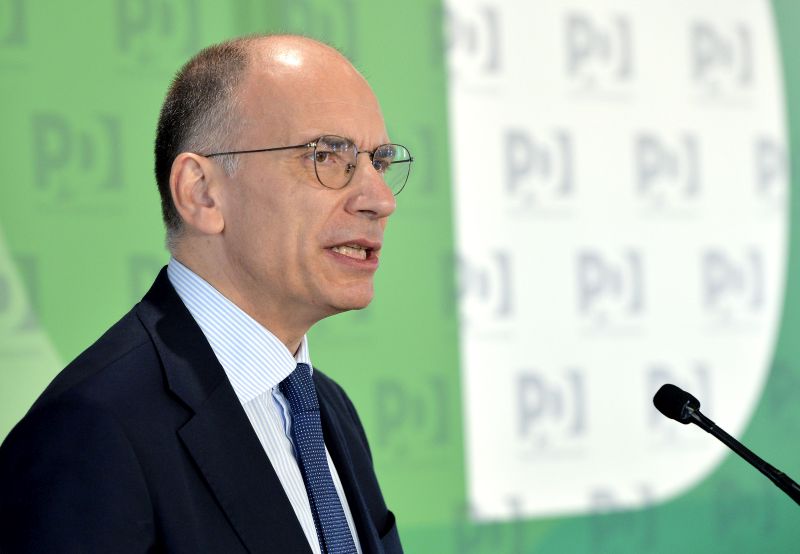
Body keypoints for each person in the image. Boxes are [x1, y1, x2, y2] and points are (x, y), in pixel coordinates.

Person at [0, 34, 410, 553]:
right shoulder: (89, 432)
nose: (379, 200)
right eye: (327, 156)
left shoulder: (329, 409)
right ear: (201, 192)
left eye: (380, 162)